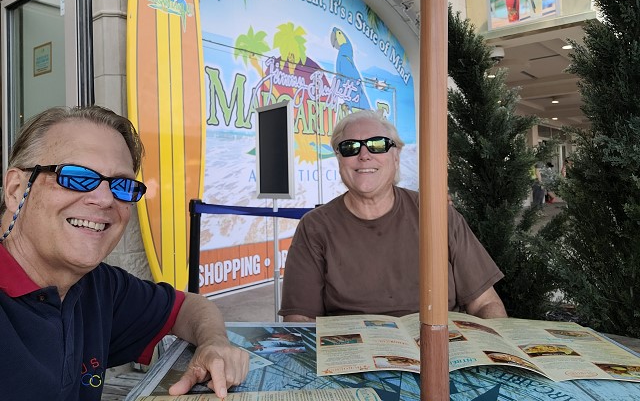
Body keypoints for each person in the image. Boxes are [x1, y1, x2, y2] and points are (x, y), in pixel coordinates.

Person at [0, 106, 248, 400]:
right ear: (16, 190)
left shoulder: (99, 286)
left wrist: (214, 343)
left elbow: (189, 308)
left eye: (122, 185)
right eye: (76, 176)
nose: (105, 199)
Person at [279, 110, 507, 322]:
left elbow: (486, 303)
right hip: (352, 350)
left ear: (396, 156)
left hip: (439, 347)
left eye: (377, 145)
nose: (364, 155)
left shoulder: (436, 213)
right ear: (339, 159)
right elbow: (300, 319)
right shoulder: (314, 227)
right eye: (350, 147)